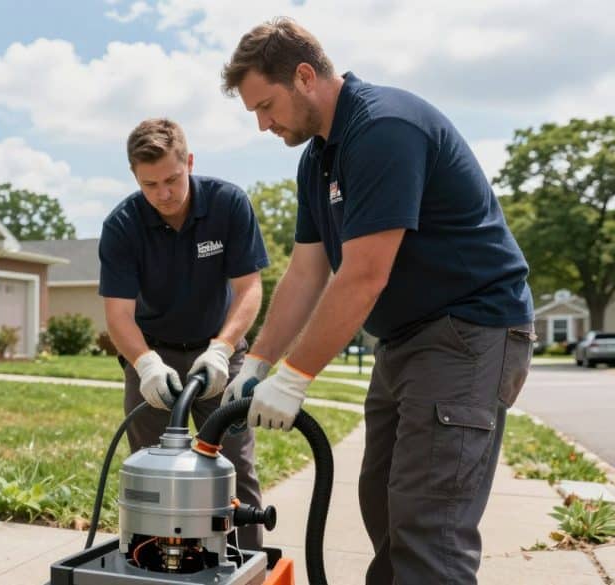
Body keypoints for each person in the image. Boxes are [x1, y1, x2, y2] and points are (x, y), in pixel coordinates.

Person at [219, 18, 535, 584]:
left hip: (468, 333)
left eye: (266, 106)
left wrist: (294, 377)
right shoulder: (317, 159)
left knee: (428, 530)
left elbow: (363, 276)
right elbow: (307, 270)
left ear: (305, 75)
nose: (264, 124)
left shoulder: (385, 127)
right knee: (384, 506)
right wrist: (260, 361)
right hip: (406, 341)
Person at [98, 118, 270, 551]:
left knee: (235, 468)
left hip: (218, 353)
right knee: (153, 474)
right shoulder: (123, 224)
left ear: (189, 162)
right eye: (149, 184)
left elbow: (249, 289)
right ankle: (155, 566)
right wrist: (145, 365)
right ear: (135, 177)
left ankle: (247, 564)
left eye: (172, 179)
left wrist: (222, 349)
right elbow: (118, 315)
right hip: (152, 358)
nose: (164, 194)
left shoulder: (228, 204)